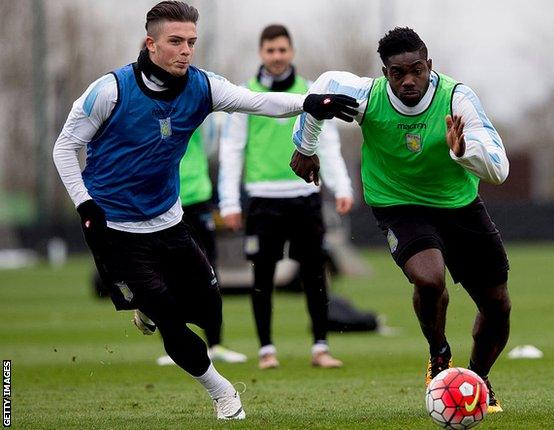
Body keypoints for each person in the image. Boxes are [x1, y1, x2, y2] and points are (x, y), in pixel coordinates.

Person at [52, 1, 357, 421]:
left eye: (191, 42)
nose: (185, 51)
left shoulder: (203, 87)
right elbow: (65, 148)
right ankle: (223, 394)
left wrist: (310, 102)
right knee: (171, 318)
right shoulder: (110, 90)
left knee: (209, 306)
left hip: (169, 219)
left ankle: (149, 303)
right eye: (175, 41)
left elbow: (257, 101)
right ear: (151, 43)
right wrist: (85, 205)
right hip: (115, 227)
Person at [290, 27, 511, 413]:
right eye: (398, 73)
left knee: (498, 307)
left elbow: (499, 169)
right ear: (384, 72)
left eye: (417, 70)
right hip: (398, 204)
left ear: (430, 66)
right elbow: (320, 90)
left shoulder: (458, 98)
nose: (409, 80)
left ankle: (476, 378)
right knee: (429, 278)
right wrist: (305, 147)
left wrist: (464, 151)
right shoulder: (366, 96)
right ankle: (439, 353)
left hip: (458, 204)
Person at [218, 24, 354, 370]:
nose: (276, 56)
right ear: (261, 53)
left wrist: (342, 187)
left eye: (282, 50)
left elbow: (328, 144)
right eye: (270, 50)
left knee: (314, 272)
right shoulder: (244, 95)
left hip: (305, 196)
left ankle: (320, 347)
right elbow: (232, 150)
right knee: (262, 276)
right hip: (262, 199)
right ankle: (266, 350)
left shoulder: (312, 92)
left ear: (291, 52)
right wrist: (230, 203)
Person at [137, 126, 248, 365]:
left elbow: (209, 144)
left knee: (208, 268)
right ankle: (175, 343)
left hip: (196, 196)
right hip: (163, 201)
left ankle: (216, 343)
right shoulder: (150, 111)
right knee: (164, 271)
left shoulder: (195, 105)